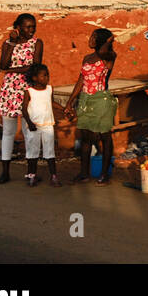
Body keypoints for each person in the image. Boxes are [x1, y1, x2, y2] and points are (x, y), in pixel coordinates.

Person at [0, 13, 43, 184]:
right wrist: (12, 44)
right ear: (18, 27)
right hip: (10, 90)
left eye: (33, 27)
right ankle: (5, 172)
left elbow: (35, 67)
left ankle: (31, 174)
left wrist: (12, 71)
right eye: (28, 27)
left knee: (29, 131)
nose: (31, 30)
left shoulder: (37, 43)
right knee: (8, 132)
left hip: (28, 89)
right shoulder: (8, 43)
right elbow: (2, 65)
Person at [65, 28, 118, 185]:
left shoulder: (109, 56)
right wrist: (70, 101)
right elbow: (81, 81)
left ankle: (104, 174)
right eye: (91, 36)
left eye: (94, 37)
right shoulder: (87, 58)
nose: (90, 39)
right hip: (85, 100)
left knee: (105, 137)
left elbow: (103, 52)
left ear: (102, 40)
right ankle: (84, 173)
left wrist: (108, 42)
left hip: (101, 100)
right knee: (85, 138)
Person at [21, 63, 60, 187]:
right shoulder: (29, 92)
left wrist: (64, 109)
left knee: (50, 152)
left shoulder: (49, 89)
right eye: (44, 75)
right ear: (34, 78)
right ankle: (32, 176)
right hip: (34, 126)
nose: (47, 77)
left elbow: (52, 103)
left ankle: (54, 176)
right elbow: (24, 109)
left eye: (47, 75)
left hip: (48, 125)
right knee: (33, 152)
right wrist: (29, 123)